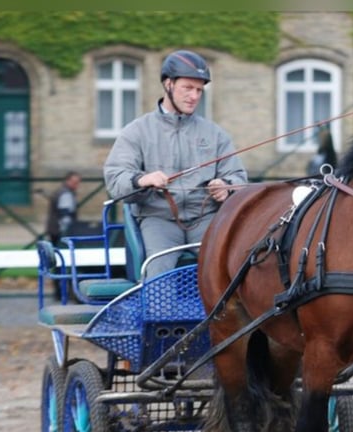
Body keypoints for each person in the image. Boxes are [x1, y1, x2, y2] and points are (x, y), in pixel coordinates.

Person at [104, 49, 247, 279]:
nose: (194, 96)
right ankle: (160, 314)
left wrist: (226, 186)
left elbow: (238, 177)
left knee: (228, 268)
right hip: (158, 219)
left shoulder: (215, 134)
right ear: (168, 84)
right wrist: (142, 179)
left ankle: (220, 315)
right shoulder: (137, 131)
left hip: (205, 219)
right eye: (188, 88)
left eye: (199, 90)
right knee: (158, 270)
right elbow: (115, 179)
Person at [45, 171, 81, 300]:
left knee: (57, 263)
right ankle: (61, 293)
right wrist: (67, 234)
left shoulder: (61, 192)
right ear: (68, 181)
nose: (77, 185)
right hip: (60, 232)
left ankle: (59, 292)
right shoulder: (66, 194)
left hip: (54, 230)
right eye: (75, 182)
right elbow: (65, 216)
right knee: (61, 263)